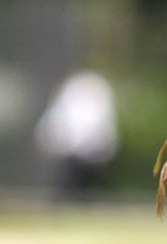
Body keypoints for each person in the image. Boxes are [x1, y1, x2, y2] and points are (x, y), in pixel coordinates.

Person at [35, 69, 119, 202]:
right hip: (73, 151)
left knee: (86, 186)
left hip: (88, 150)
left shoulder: (90, 89)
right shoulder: (71, 91)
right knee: (72, 186)